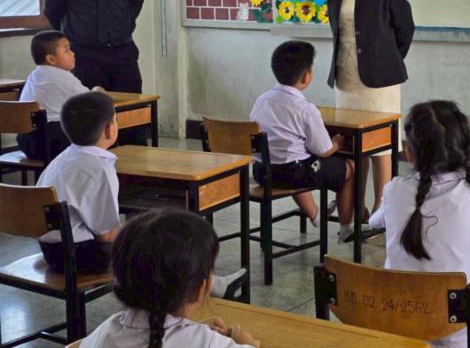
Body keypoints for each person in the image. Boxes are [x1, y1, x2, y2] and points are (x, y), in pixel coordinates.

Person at [369, 101, 470, 348]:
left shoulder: (394, 191)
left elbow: (374, 221)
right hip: (464, 335)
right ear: (464, 149)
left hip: (405, 330)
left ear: (409, 153)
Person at [326, 0, 415, 218]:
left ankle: (381, 209)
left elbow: (405, 29)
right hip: (346, 77)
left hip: (380, 80)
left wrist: (386, 59)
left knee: (380, 147)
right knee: (351, 145)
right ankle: (354, 209)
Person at [80, 209, 260, 348]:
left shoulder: (101, 335)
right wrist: (246, 342)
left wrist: (188, 328)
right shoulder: (210, 343)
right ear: (201, 289)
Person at [250, 41, 356, 241]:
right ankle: (345, 229)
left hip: (262, 172)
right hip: (294, 174)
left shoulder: (262, 100)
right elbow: (323, 150)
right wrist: (337, 144)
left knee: (294, 157)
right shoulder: (306, 109)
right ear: (307, 76)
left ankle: (316, 214)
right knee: (350, 168)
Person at [37, 91, 120, 274]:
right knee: (147, 240)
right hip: (81, 255)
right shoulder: (100, 169)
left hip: (51, 251)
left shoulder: (60, 159)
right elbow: (106, 236)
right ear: (109, 129)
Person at [17, 31, 102, 160]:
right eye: (67, 50)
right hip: (55, 143)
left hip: (27, 143)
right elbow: (91, 100)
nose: (73, 53)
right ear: (51, 59)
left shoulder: (33, 76)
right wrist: (97, 90)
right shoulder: (63, 77)